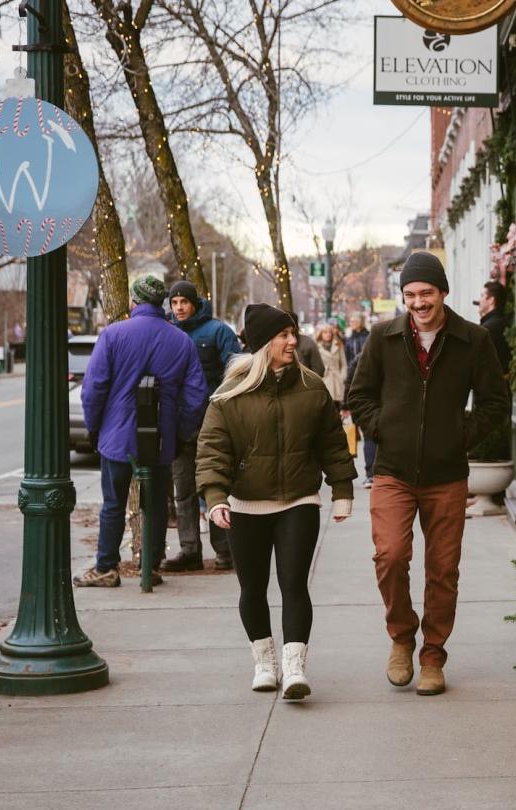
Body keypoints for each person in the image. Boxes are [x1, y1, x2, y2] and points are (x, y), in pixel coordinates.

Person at [346, 252, 511, 696]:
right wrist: (383, 429)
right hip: (394, 472)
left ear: (442, 293)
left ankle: (433, 655)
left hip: (446, 475)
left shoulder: (472, 340)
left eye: (426, 293)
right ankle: (402, 637)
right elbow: (357, 396)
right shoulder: (382, 337)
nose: (419, 303)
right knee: (391, 556)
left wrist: (459, 435)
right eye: (411, 295)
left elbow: (496, 403)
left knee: (443, 569)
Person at [197, 303, 357, 700]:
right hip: (246, 505)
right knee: (252, 588)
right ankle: (264, 662)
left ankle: (294, 667)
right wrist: (216, 498)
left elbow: (333, 445)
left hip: (299, 502)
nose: (292, 340)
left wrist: (342, 490)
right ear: (262, 343)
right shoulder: (229, 394)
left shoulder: (311, 387)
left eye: (293, 333)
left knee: (294, 585)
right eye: (283, 335)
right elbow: (212, 451)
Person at [77, 275, 207, 587]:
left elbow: (92, 390)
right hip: (162, 437)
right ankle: (151, 565)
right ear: (162, 303)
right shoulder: (181, 342)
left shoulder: (112, 335)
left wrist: (94, 428)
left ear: (134, 302)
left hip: (116, 436)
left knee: (113, 504)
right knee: (157, 505)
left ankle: (106, 566)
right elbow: (196, 397)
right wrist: (180, 433)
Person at [162, 279, 241, 573]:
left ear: (194, 302)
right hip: (180, 426)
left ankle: (224, 550)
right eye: (174, 303)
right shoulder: (168, 333)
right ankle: (189, 550)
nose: (179, 307)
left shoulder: (218, 331)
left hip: (212, 424)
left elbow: (235, 373)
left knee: (215, 487)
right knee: (183, 489)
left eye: (184, 302)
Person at [344, 313, 377, 488]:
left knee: (372, 438)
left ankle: (372, 473)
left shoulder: (366, 339)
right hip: (365, 403)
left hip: (372, 403)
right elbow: (349, 382)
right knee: (370, 438)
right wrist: (346, 404)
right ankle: (371, 473)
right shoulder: (351, 344)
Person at [475, 281, 512, 373]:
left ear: (491, 300)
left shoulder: (488, 329)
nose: (479, 300)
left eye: (482, 295)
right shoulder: (500, 322)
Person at [313, 322, 347, 406]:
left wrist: (343, 376)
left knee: (337, 406)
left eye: (330, 332)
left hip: (337, 379)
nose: (328, 334)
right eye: (325, 332)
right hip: (324, 379)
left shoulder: (338, 345)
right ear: (320, 334)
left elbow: (343, 363)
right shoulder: (316, 347)